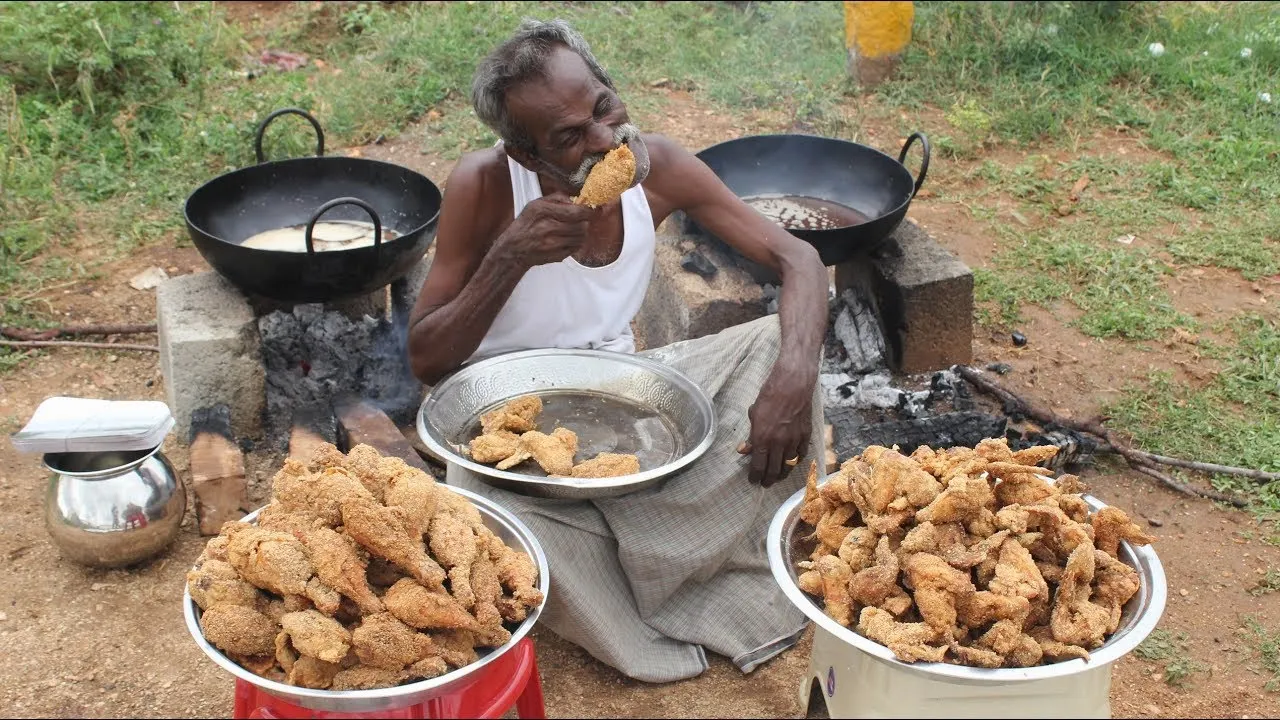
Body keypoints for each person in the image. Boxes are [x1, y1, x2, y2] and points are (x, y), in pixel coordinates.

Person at [407, 18, 829, 683]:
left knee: (784, 346)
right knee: (479, 507)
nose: (605, 140)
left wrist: (793, 378)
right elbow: (427, 361)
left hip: (625, 389)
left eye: (604, 108)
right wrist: (508, 258)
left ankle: (688, 567)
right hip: (506, 420)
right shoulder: (486, 185)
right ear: (525, 155)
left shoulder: (659, 169)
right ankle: (639, 620)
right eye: (569, 138)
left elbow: (798, 258)